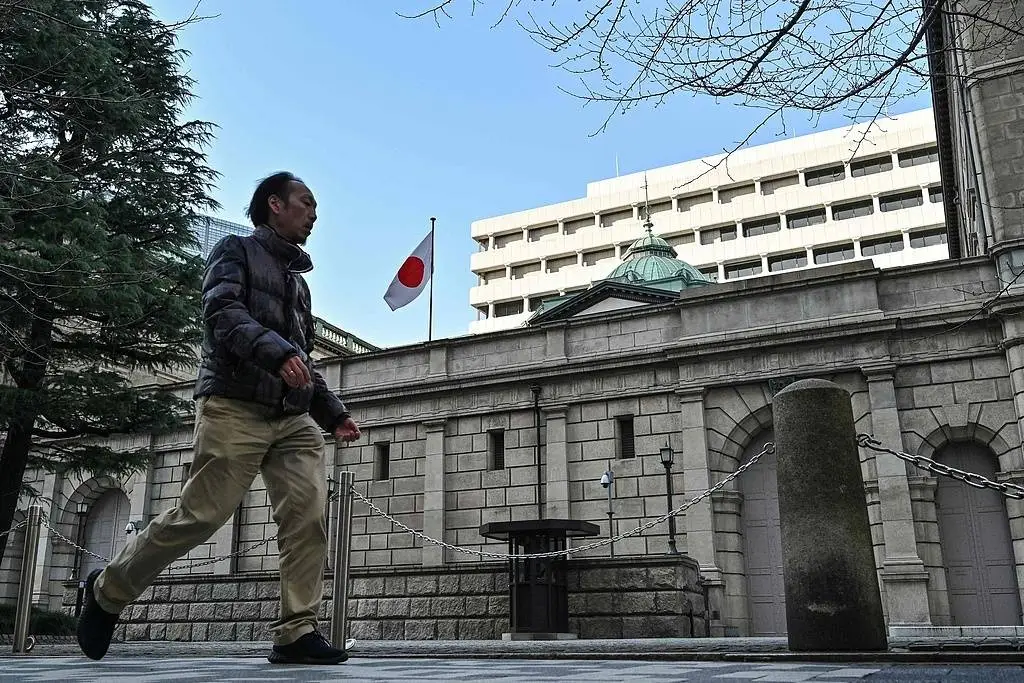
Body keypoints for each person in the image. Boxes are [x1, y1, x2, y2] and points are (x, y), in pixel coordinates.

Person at [76, 172, 361, 665]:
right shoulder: (235, 250)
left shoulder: (298, 284)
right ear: (275, 204)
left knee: (308, 518)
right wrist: (276, 354)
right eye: (306, 202)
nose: (314, 214)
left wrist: (332, 413)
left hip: (293, 418)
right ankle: (107, 590)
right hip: (234, 405)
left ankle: (296, 631)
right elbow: (222, 312)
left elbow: (302, 359)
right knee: (200, 516)